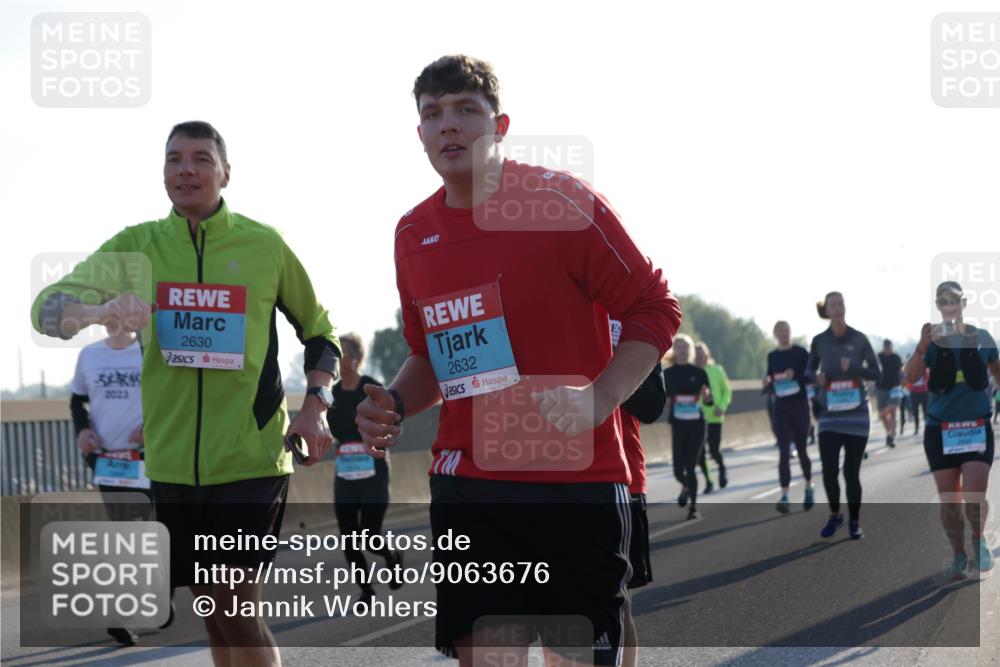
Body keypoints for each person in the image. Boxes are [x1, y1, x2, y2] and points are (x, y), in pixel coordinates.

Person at [354, 55, 681, 667]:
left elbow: (653, 305)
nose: (448, 126)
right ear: (419, 133)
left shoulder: (562, 201)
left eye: (465, 111)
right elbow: (431, 352)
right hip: (468, 484)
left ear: (500, 125)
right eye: (433, 114)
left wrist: (599, 398)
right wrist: (395, 402)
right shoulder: (412, 233)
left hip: (574, 482)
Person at [31, 121, 341, 667]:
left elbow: (321, 335)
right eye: (174, 159)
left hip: (250, 458)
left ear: (226, 172)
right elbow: (47, 310)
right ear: (163, 173)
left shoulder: (263, 245)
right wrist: (98, 312)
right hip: (173, 465)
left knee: (232, 603)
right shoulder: (137, 248)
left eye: (200, 158)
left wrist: (315, 407)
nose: (186, 169)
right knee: (213, 611)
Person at [904, 281, 999, 578]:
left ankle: (978, 538)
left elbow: (997, 371)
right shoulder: (931, 340)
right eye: (943, 300)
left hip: (975, 427)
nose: (949, 305)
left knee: (975, 493)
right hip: (940, 430)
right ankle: (958, 553)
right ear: (938, 305)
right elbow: (910, 376)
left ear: (963, 303)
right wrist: (920, 348)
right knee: (950, 503)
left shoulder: (981, 338)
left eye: (953, 300)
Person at [70, 325, 153, 645]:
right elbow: (77, 402)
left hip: (148, 456)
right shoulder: (90, 355)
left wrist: (152, 426)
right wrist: (82, 431)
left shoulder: (149, 352)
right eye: (110, 308)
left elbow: (174, 395)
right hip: (107, 461)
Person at [327, 332, 403, 601]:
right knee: (348, 537)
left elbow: (389, 419)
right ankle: (366, 589)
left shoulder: (370, 387)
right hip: (346, 473)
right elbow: (332, 430)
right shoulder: (332, 394)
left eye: (343, 354)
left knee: (370, 536)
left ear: (356, 359)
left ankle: (392, 557)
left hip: (374, 470)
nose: (339, 360)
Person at [610, 320, 665, 667]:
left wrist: (612, 363)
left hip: (621, 477)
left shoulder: (630, 323)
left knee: (617, 599)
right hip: (553, 475)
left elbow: (651, 406)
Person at [806, 292, 879, 540]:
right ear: (826, 310)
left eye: (840, 304)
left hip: (857, 415)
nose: (837, 308)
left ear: (845, 308)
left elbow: (876, 373)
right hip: (829, 414)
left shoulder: (858, 339)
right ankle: (836, 514)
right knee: (828, 470)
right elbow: (808, 371)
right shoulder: (819, 341)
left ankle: (855, 521)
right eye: (832, 305)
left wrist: (855, 369)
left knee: (851, 472)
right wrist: (816, 378)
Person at [763, 321, 815, 514]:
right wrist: (767, 381)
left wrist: (796, 375)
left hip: (799, 406)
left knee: (802, 450)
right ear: (775, 334)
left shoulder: (801, 353)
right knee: (783, 451)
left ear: (790, 333)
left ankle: (809, 486)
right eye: (780, 332)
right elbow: (770, 378)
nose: (783, 334)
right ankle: (784, 495)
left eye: (786, 331)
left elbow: (811, 375)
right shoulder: (772, 356)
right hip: (781, 408)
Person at [664, 335, 714, 520]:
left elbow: (709, 402)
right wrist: (666, 401)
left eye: (686, 347)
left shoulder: (699, 372)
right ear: (674, 351)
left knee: (691, 467)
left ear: (690, 350)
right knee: (678, 469)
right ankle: (685, 485)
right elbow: (663, 399)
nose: (683, 350)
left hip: (697, 425)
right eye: (679, 347)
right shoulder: (667, 374)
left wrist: (707, 396)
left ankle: (693, 507)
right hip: (678, 424)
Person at [694, 342, 730, 494]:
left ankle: (722, 468)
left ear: (707, 355)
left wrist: (721, 407)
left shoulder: (716, 370)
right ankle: (709, 481)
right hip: (696, 418)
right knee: (700, 453)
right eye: (697, 355)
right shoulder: (692, 372)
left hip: (715, 417)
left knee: (714, 450)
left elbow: (727, 391)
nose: (700, 357)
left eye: (702, 354)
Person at [876, 339, 903, 448]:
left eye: (890, 347)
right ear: (884, 347)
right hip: (881, 388)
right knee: (882, 414)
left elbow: (901, 371)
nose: (888, 349)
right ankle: (888, 433)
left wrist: (903, 382)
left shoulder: (896, 357)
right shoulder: (878, 357)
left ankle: (892, 435)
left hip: (894, 388)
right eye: (887, 347)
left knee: (892, 411)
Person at [909, 366, 930, 435]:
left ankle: (927, 427)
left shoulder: (925, 370)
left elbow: (928, 378)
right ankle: (916, 428)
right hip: (914, 392)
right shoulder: (911, 369)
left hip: (924, 392)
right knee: (915, 411)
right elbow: (908, 379)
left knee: (925, 411)